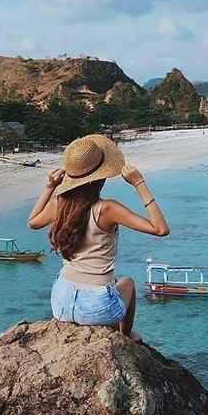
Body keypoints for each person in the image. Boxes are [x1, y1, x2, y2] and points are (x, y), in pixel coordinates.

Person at [27, 133, 169, 342]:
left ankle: (112, 326)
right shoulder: (107, 208)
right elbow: (160, 229)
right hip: (96, 310)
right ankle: (124, 336)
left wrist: (50, 187)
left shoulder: (60, 203)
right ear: (100, 178)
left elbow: (32, 222)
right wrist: (139, 183)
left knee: (115, 281)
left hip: (61, 303)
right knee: (127, 283)